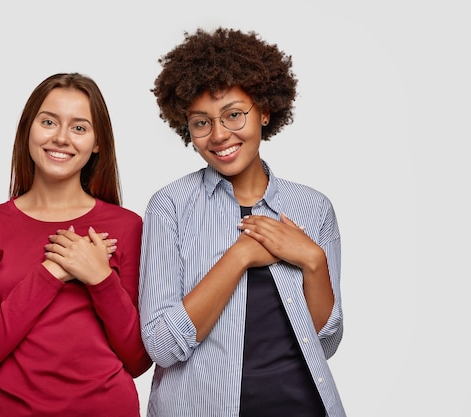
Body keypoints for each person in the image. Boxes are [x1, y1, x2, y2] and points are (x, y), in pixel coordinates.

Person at [138, 28, 346, 417]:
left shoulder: (313, 207)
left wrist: (313, 261)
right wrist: (239, 258)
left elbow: (325, 343)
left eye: (234, 115)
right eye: (201, 122)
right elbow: (163, 345)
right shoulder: (170, 207)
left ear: (265, 111)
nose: (219, 135)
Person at [0, 72, 152, 417]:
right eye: (49, 122)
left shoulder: (127, 226)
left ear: (97, 143)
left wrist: (99, 278)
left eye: (79, 128)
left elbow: (138, 360)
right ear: (28, 130)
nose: (61, 138)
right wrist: (51, 272)